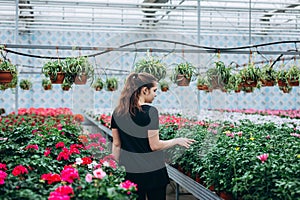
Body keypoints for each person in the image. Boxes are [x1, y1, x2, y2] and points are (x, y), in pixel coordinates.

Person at [111, 72, 195, 200]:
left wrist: (115, 168)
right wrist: (176, 140)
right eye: (154, 90)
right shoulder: (150, 112)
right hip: (153, 172)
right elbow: (155, 145)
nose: (156, 94)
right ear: (145, 90)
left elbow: (116, 144)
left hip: (130, 172)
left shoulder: (118, 112)